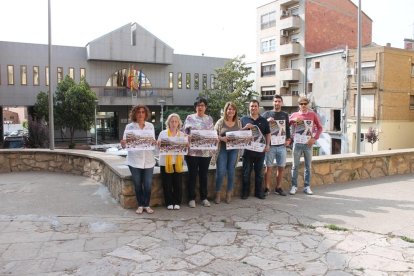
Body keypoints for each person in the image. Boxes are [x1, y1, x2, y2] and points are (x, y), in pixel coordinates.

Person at [121, 105, 156, 214]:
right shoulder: (129, 127)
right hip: (134, 161)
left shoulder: (150, 126)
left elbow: (152, 142)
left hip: (149, 160)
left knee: (147, 184)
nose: (141, 114)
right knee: (137, 184)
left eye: (142, 112)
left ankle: (147, 204)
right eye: (138, 112)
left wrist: (154, 142)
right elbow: (124, 145)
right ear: (134, 114)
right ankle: (140, 205)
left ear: (146, 114)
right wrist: (123, 143)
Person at [183, 97, 215, 208]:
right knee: (192, 175)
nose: (200, 107)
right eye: (198, 105)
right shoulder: (190, 118)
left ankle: (204, 198)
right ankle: (191, 198)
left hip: (205, 152)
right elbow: (185, 133)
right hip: (192, 152)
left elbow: (212, 134)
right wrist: (189, 136)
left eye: (202, 105)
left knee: (203, 175)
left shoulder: (209, 119)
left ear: (205, 107)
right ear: (195, 107)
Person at [289, 96, 323, 195]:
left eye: (305, 103)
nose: (303, 105)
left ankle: (307, 186)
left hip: (308, 144)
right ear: (298, 105)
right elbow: (286, 125)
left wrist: (314, 138)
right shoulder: (294, 114)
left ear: (307, 104)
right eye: (301, 104)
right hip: (297, 143)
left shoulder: (312, 114)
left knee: (308, 166)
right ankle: (294, 186)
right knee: (295, 166)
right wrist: (292, 120)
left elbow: (320, 128)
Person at [240, 99, 271, 200]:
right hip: (247, 152)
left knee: (259, 174)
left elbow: (268, 133)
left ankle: (259, 193)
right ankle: (245, 193)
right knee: (246, 174)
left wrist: (267, 145)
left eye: (255, 106)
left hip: (260, 152)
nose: (253, 108)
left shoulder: (263, 120)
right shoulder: (243, 119)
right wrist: (245, 128)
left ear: (259, 108)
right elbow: (238, 133)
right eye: (251, 106)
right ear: (249, 108)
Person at [262, 95, 291, 197]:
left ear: (282, 103)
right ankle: (267, 188)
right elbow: (261, 127)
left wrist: (288, 139)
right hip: (270, 146)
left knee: (281, 167)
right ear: (272, 103)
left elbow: (287, 128)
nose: (277, 103)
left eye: (279, 101)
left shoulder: (285, 114)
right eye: (275, 101)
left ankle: (278, 187)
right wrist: (266, 121)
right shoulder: (266, 114)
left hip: (282, 146)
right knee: (268, 167)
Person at [214, 102, 241, 204]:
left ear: (235, 111)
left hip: (234, 150)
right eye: (229, 109)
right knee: (220, 172)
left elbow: (240, 134)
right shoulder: (220, 122)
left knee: (231, 172)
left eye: (233, 109)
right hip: (222, 149)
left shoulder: (238, 122)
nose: (231, 111)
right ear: (226, 110)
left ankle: (229, 193)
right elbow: (214, 135)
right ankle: (218, 193)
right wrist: (221, 138)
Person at [157, 113, 185, 210]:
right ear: (168, 123)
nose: (174, 123)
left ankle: (177, 202)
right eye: (172, 121)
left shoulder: (182, 135)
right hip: (165, 162)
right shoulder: (163, 133)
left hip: (177, 162)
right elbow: (158, 148)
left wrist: (187, 144)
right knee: (167, 183)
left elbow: (185, 148)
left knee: (177, 183)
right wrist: (159, 144)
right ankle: (169, 202)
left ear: (178, 123)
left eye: (175, 121)